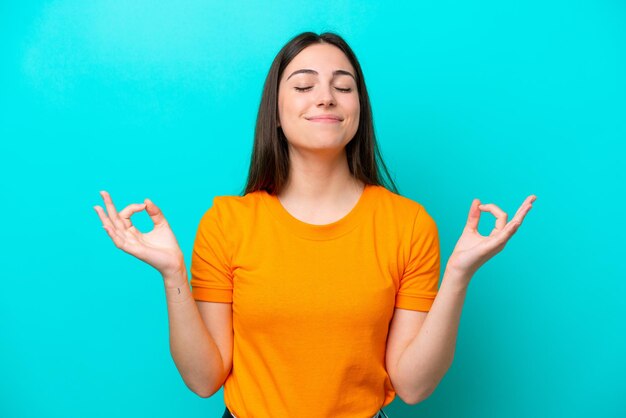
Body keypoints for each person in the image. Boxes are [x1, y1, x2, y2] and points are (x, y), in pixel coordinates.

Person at [94, 32, 536, 418]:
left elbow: (414, 386)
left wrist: (458, 276)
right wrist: (173, 273)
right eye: (304, 85)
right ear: (277, 114)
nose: (326, 96)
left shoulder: (409, 225)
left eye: (343, 87)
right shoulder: (228, 223)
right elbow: (205, 379)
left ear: (358, 110)